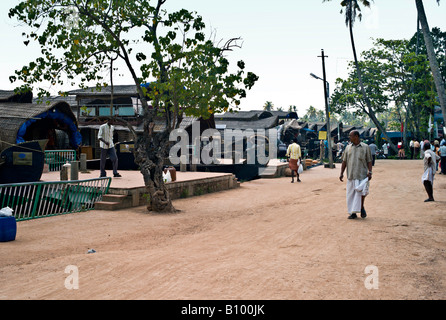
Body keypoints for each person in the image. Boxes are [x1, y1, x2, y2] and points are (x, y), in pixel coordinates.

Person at [339, 130, 373, 219]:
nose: (349, 138)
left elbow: (369, 160)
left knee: (362, 193)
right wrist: (341, 173)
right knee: (350, 195)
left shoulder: (365, 147)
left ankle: (361, 207)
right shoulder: (348, 148)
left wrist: (370, 172)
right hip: (351, 175)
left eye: (351, 136)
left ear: (356, 136)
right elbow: (344, 161)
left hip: (361, 175)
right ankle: (353, 213)